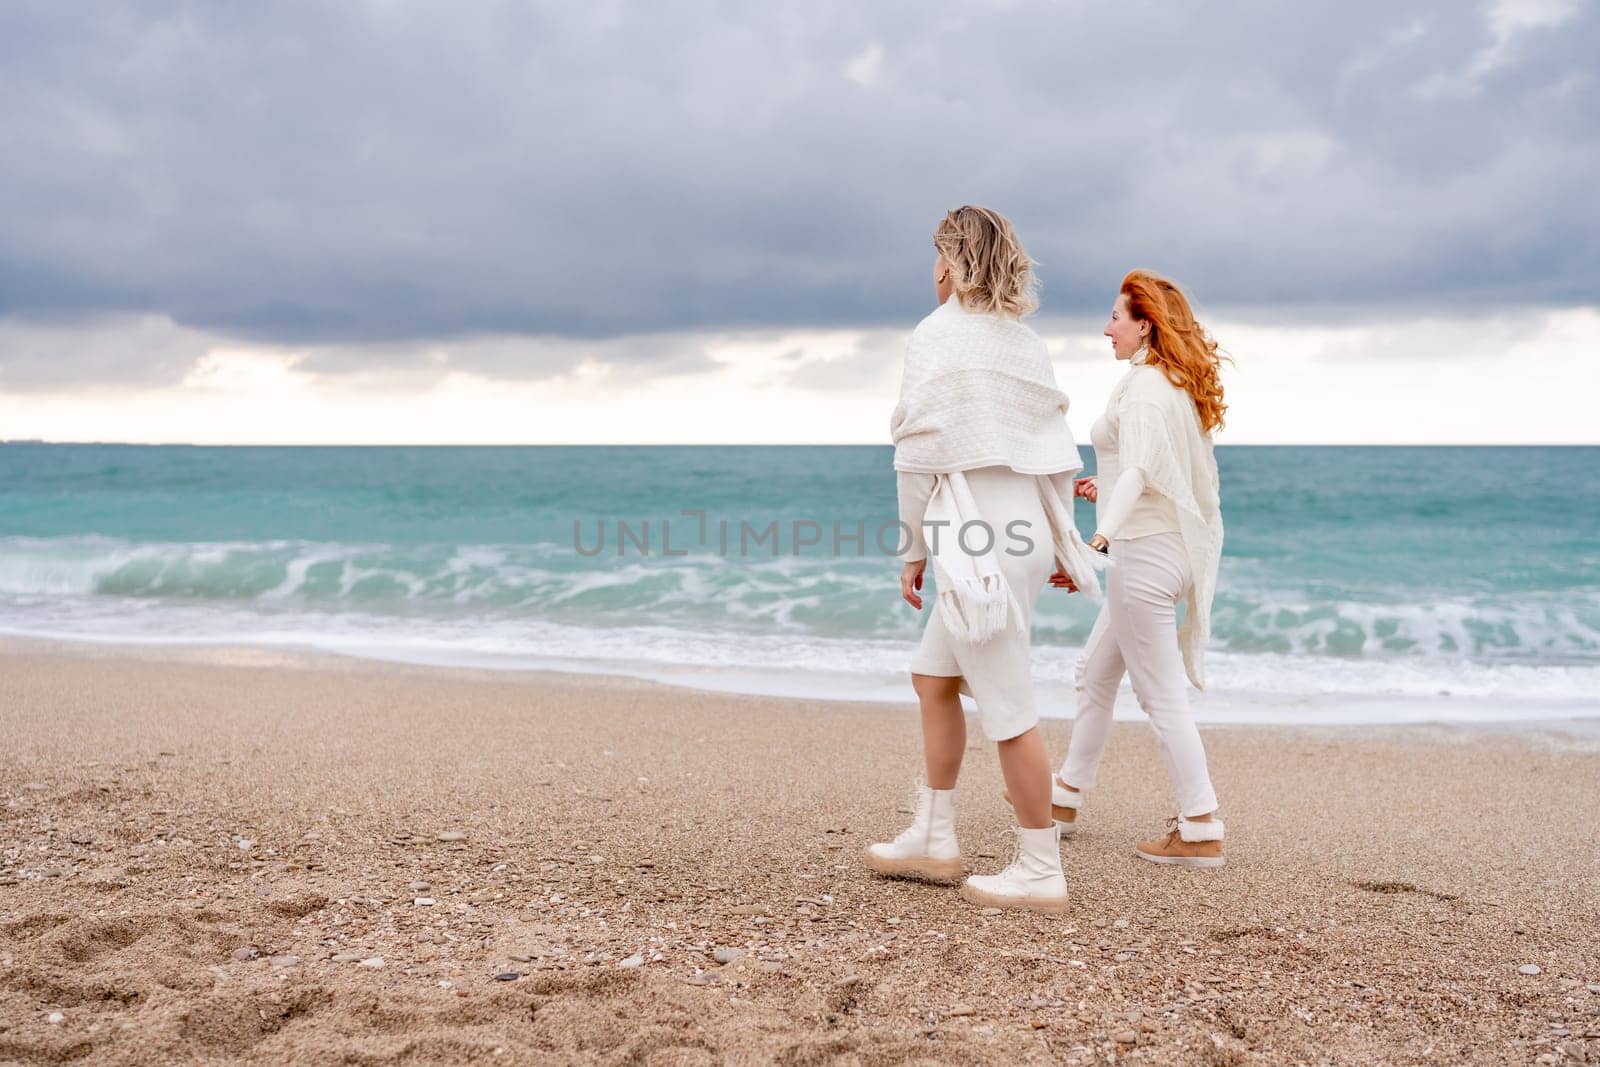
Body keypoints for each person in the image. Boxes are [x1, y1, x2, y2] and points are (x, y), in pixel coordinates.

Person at [865, 205, 1100, 913]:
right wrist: (1061, 542)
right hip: (1021, 529)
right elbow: (1057, 452)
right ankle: (933, 835)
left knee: (1007, 704)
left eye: (937, 255)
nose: (932, 269)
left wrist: (912, 551)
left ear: (953, 261)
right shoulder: (1024, 343)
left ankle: (1040, 868)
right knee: (933, 675)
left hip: (974, 537)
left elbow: (918, 452)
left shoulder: (935, 336)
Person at [1031, 269, 1229, 867]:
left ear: (1145, 324)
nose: (1106, 327)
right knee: (1094, 673)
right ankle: (1063, 798)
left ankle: (1200, 826)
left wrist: (1095, 541)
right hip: (1161, 549)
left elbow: (1141, 474)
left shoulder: (1145, 389)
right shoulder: (1167, 383)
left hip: (1143, 557)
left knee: (1160, 695)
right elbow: (1144, 473)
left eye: (1116, 317)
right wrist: (1105, 487)